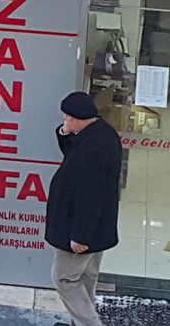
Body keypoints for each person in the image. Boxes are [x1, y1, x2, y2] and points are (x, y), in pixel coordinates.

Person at [46, 91, 122, 326]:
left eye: (67, 118)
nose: (64, 122)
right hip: (97, 227)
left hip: (80, 229)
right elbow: (73, 150)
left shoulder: (93, 150)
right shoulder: (101, 133)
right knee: (87, 277)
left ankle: (89, 324)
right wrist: (65, 133)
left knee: (65, 278)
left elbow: (90, 196)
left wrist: (80, 235)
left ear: (79, 119)